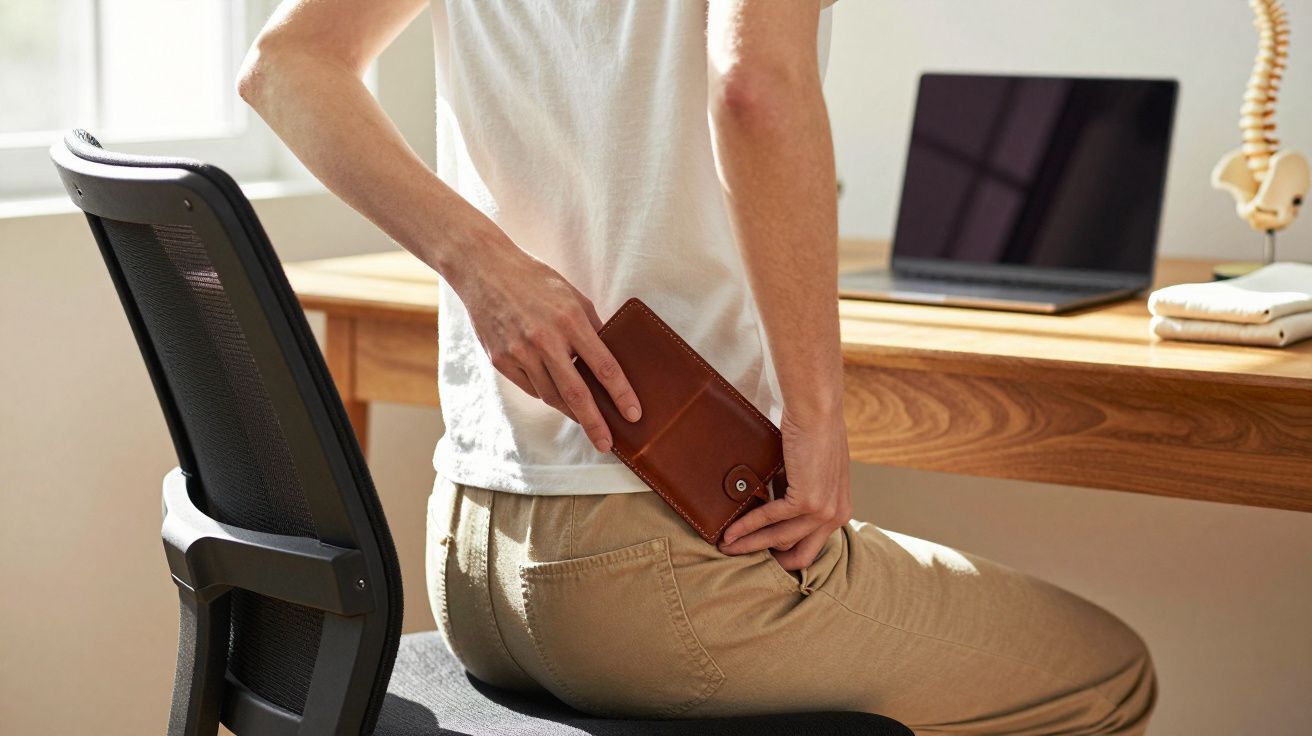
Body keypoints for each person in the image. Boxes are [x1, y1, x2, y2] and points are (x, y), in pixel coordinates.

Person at [238, 1, 1157, 732]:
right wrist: (819, 414)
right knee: (1107, 678)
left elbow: (286, 63)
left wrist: (482, 263)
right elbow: (754, 84)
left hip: (470, 567)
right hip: (668, 567)